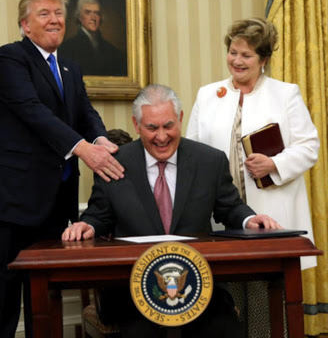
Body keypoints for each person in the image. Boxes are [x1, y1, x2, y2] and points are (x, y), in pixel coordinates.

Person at [62, 84, 281, 338]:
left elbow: (230, 208)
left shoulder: (209, 161)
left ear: (180, 118)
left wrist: (250, 219)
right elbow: (99, 215)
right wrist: (86, 225)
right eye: (152, 127)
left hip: (197, 284)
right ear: (136, 124)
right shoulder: (114, 163)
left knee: (222, 329)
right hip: (131, 286)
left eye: (168, 126)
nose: (162, 136)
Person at [0, 0, 125, 338]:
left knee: (45, 302)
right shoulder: (10, 57)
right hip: (5, 204)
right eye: (43, 14)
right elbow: (32, 112)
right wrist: (83, 148)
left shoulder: (69, 66)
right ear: (25, 25)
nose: (54, 19)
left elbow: (85, 111)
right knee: (0, 307)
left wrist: (99, 138)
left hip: (53, 204)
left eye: (58, 13)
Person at [186, 18, 320, 336]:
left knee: (266, 294)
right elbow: (191, 149)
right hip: (224, 216)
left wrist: (274, 164)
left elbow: (309, 146)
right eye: (233, 52)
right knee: (228, 294)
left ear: (263, 59)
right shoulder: (208, 95)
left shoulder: (285, 94)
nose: (237, 60)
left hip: (272, 213)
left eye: (246, 55)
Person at [60, 0, 127, 76]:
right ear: (79, 17)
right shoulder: (68, 48)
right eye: (88, 13)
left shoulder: (112, 51)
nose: (93, 18)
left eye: (97, 13)